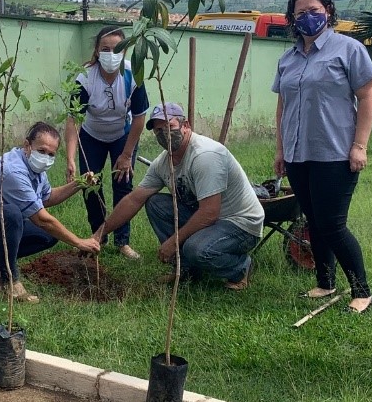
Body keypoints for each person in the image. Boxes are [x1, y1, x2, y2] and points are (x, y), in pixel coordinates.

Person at [273, 0, 372, 314]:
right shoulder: (287, 58)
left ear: (329, 12)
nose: (308, 17)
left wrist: (360, 145)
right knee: (314, 221)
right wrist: (281, 150)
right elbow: (283, 107)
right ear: (292, 18)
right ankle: (325, 282)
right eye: (300, 12)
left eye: (314, 10)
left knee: (332, 224)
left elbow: (367, 97)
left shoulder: (348, 49)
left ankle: (362, 292)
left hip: (335, 153)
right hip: (297, 153)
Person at [93, 104, 264, 290]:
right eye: (158, 130)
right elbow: (134, 199)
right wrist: (99, 234)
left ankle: (240, 268)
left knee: (195, 249)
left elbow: (209, 213)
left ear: (186, 125)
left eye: (169, 126)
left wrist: (173, 242)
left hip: (240, 224)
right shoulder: (163, 163)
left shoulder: (205, 156)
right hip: (211, 219)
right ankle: (187, 269)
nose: (163, 133)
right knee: (155, 203)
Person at [0, 122, 100, 303]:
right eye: (42, 151)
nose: (46, 157)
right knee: (12, 214)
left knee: (48, 236)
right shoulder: (12, 170)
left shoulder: (36, 170)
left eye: (51, 154)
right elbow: (42, 219)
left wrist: (79, 183)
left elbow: (46, 198)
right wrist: (79, 242)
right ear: (27, 146)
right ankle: (11, 282)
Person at [65, 26, 150, 260]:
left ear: (125, 51)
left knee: (123, 185)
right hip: (91, 136)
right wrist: (71, 157)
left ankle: (123, 242)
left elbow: (140, 117)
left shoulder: (134, 76)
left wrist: (126, 154)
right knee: (90, 185)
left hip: (123, 135)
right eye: (105, 49)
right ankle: (97, 236)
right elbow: (74, 119)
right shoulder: (84, 78)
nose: (111, 54)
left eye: (117, 49)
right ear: (96, 51)